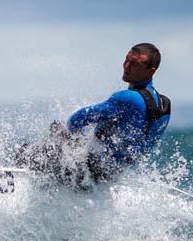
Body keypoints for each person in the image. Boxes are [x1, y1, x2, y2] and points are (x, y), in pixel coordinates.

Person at [16, 43, 171, 188]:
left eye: (135, 64)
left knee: (35, 147)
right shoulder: (164, 105)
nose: (127, 66)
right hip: (115, 175)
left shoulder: (128, 98)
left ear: (151, 71)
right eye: (126, 60)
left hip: (92, 173)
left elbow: (78, 119)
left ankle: (16, 181)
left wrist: (64, 135)